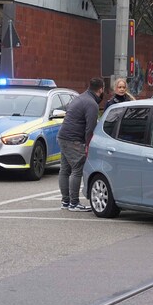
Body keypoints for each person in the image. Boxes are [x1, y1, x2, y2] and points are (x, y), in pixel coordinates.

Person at [57, 77, 104, 212]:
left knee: (65, 170)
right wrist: (89, 146)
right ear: (101, 89)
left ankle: (65, 202)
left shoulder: (80, 98)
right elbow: (90, 128)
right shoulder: (92, 104)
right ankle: (74, 203)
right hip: (73, 140)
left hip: (63, 137)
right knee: (77, 169)